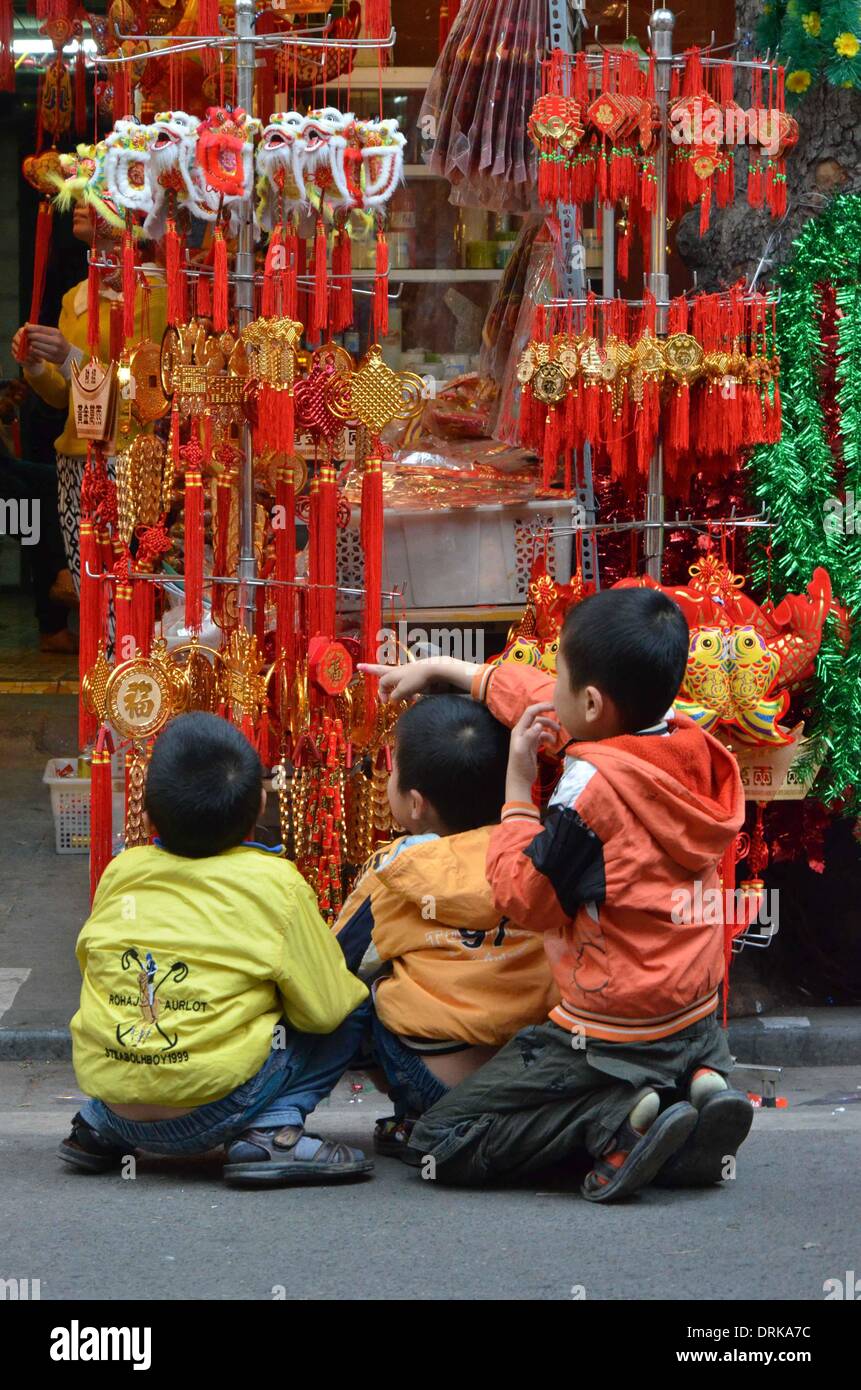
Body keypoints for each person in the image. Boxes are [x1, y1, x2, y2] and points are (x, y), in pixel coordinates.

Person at [360, 586, 753, 1203]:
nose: (551, 690)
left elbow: (525, 897)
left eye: (562, 678)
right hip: (694, 1011)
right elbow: (538, 698)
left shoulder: (585, 796)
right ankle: (696, 1085)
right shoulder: (687, 744)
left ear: (592, 702)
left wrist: (517, 792)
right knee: (674, 1057)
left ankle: (615, 1120)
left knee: (440, 1138)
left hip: (610, 1026)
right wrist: (444, 670)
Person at [223, 695, 558, 1170]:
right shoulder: (540, 851)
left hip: (436, 1077)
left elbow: (336, 962)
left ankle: (413, 1116)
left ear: (415, 804)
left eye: (391, 770)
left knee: (362, 998)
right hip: (535, 1071)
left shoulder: (397, 866)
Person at [60, 712, 373, 1187]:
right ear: (260, 806)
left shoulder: (122, 870)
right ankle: (272, 1133)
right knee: (350, 1008)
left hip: (114, 1103)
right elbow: (325, 1011)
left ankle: (97, 1131)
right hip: (217, 1109)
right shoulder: (276, 884)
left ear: (144, 817)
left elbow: (94, 969)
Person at [12, 202, 167, 592]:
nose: (78, 206)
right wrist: (35, 365)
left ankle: (124, 652)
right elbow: (62, 398)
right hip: (74, 455)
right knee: (88, 582)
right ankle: (99, 654)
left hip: (128, 453)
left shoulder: (154, 290)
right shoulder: (75, 298)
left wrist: (69, 357)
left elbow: (138, 389)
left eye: (94, 196)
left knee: (125, 577)